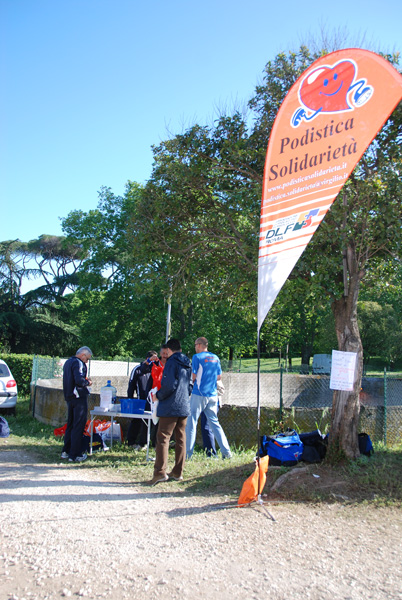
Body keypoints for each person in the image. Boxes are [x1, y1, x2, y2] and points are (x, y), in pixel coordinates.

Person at [149, 338, 191, 486]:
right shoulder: (187, 362)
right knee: (181, 439)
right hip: (184, 405)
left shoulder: (171, 363)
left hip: (170, 407)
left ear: (169, 350)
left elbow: (169, 385)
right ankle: (178, 472)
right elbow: (190, 385)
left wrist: (158, 395)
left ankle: (160, 472)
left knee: (162, 438)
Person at [186, 337, 232, 459]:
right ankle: (227, 453)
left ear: (200, 345)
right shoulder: (215, 358)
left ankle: (187, 455)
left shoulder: (197, 357)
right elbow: (219, 377)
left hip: (199, 394)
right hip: (212, 395)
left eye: (195, 345)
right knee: (215, 424)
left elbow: (194, 376)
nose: (195, 347)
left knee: (191, 424)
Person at [61, 346, 93, 462]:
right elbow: (79, 380)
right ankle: (75, 454)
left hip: (69, 397)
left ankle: (66, 451)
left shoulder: (68, 362)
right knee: (78, 426)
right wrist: (88, 382)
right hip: (78, 397)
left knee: (70, 424)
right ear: (83, 355)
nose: (87, 361)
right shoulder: (78, 363)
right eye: (87, 359)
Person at [126, 350, 158, 448]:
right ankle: (131, 441)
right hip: (140, 400)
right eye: (151, 359)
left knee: (153, 421)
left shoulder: (155, 369)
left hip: (152, 400)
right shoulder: (137, 369)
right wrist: (130, 399)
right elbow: (131, 385)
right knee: (137, 420)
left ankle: (152, 442)